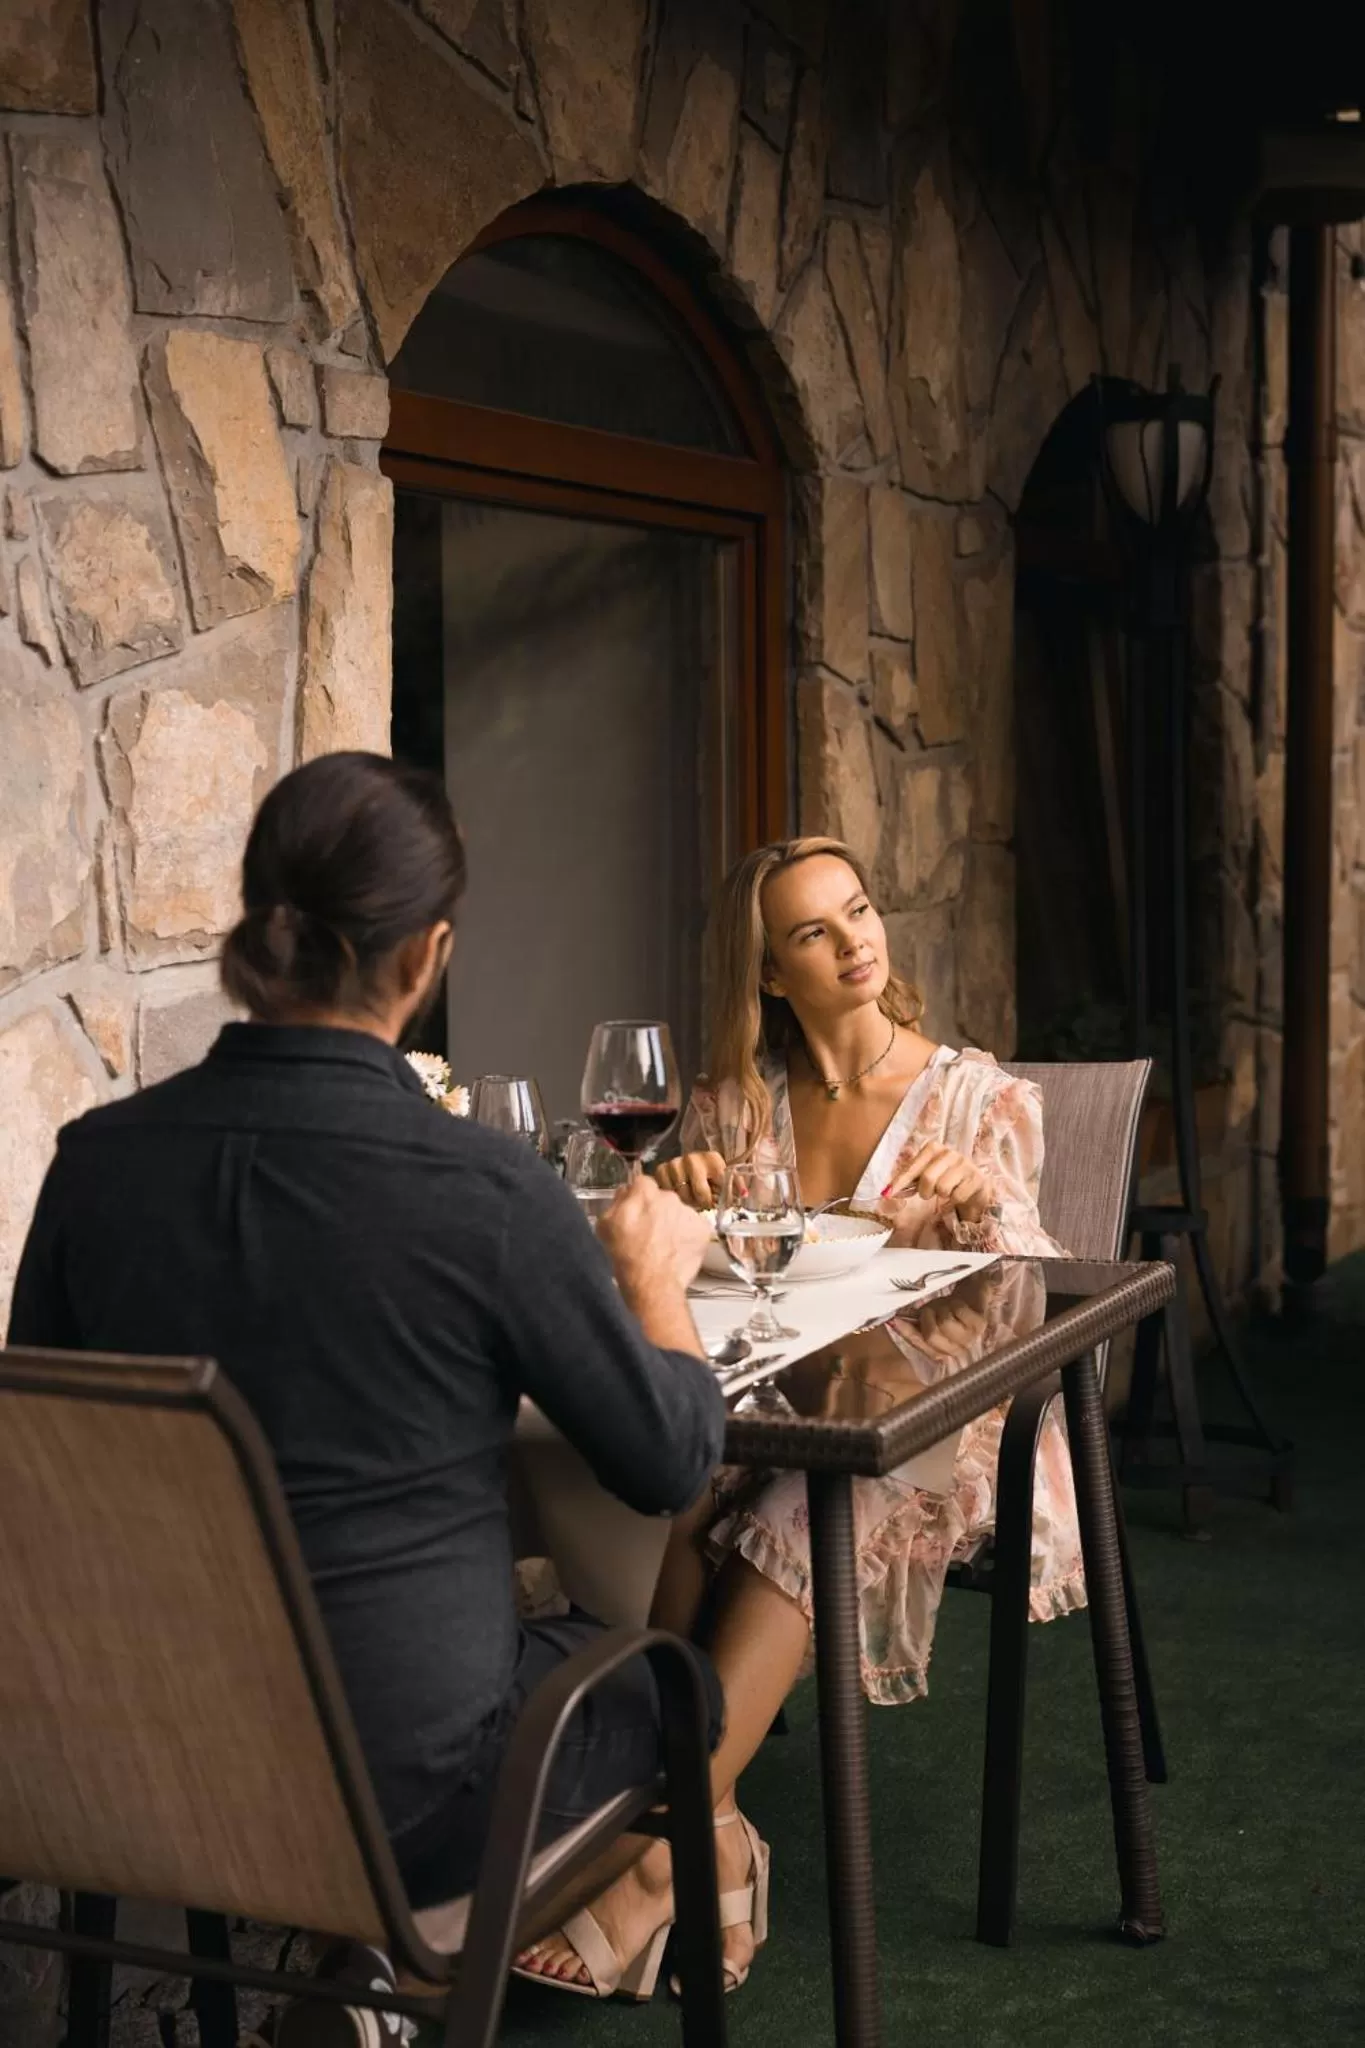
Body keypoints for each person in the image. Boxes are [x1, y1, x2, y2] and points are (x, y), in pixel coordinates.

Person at [7, 752, 725, 2037]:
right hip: (404, 1805)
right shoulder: (487, 1194)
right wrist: (656, 1279)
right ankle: (391, 1973)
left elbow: (49, 1473)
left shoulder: (90, 1168)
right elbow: (670, 1461)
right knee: (670, 1681)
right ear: (426, 955)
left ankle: (359, 1987)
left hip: (131, 1766)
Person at [517, 834, 1079, 1997]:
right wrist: (673, 1189)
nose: (856, 940)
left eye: (860, 910)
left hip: (941, 1420)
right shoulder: (734, 1106)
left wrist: (982, 1212)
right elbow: (716, 1276)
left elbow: (1038, 1296)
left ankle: (652, 1846)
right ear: (771, 970)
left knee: (804, 1484)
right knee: (677, 1475)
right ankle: (711, 1835)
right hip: (785, 1396)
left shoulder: (978, 1097)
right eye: (816, 930)